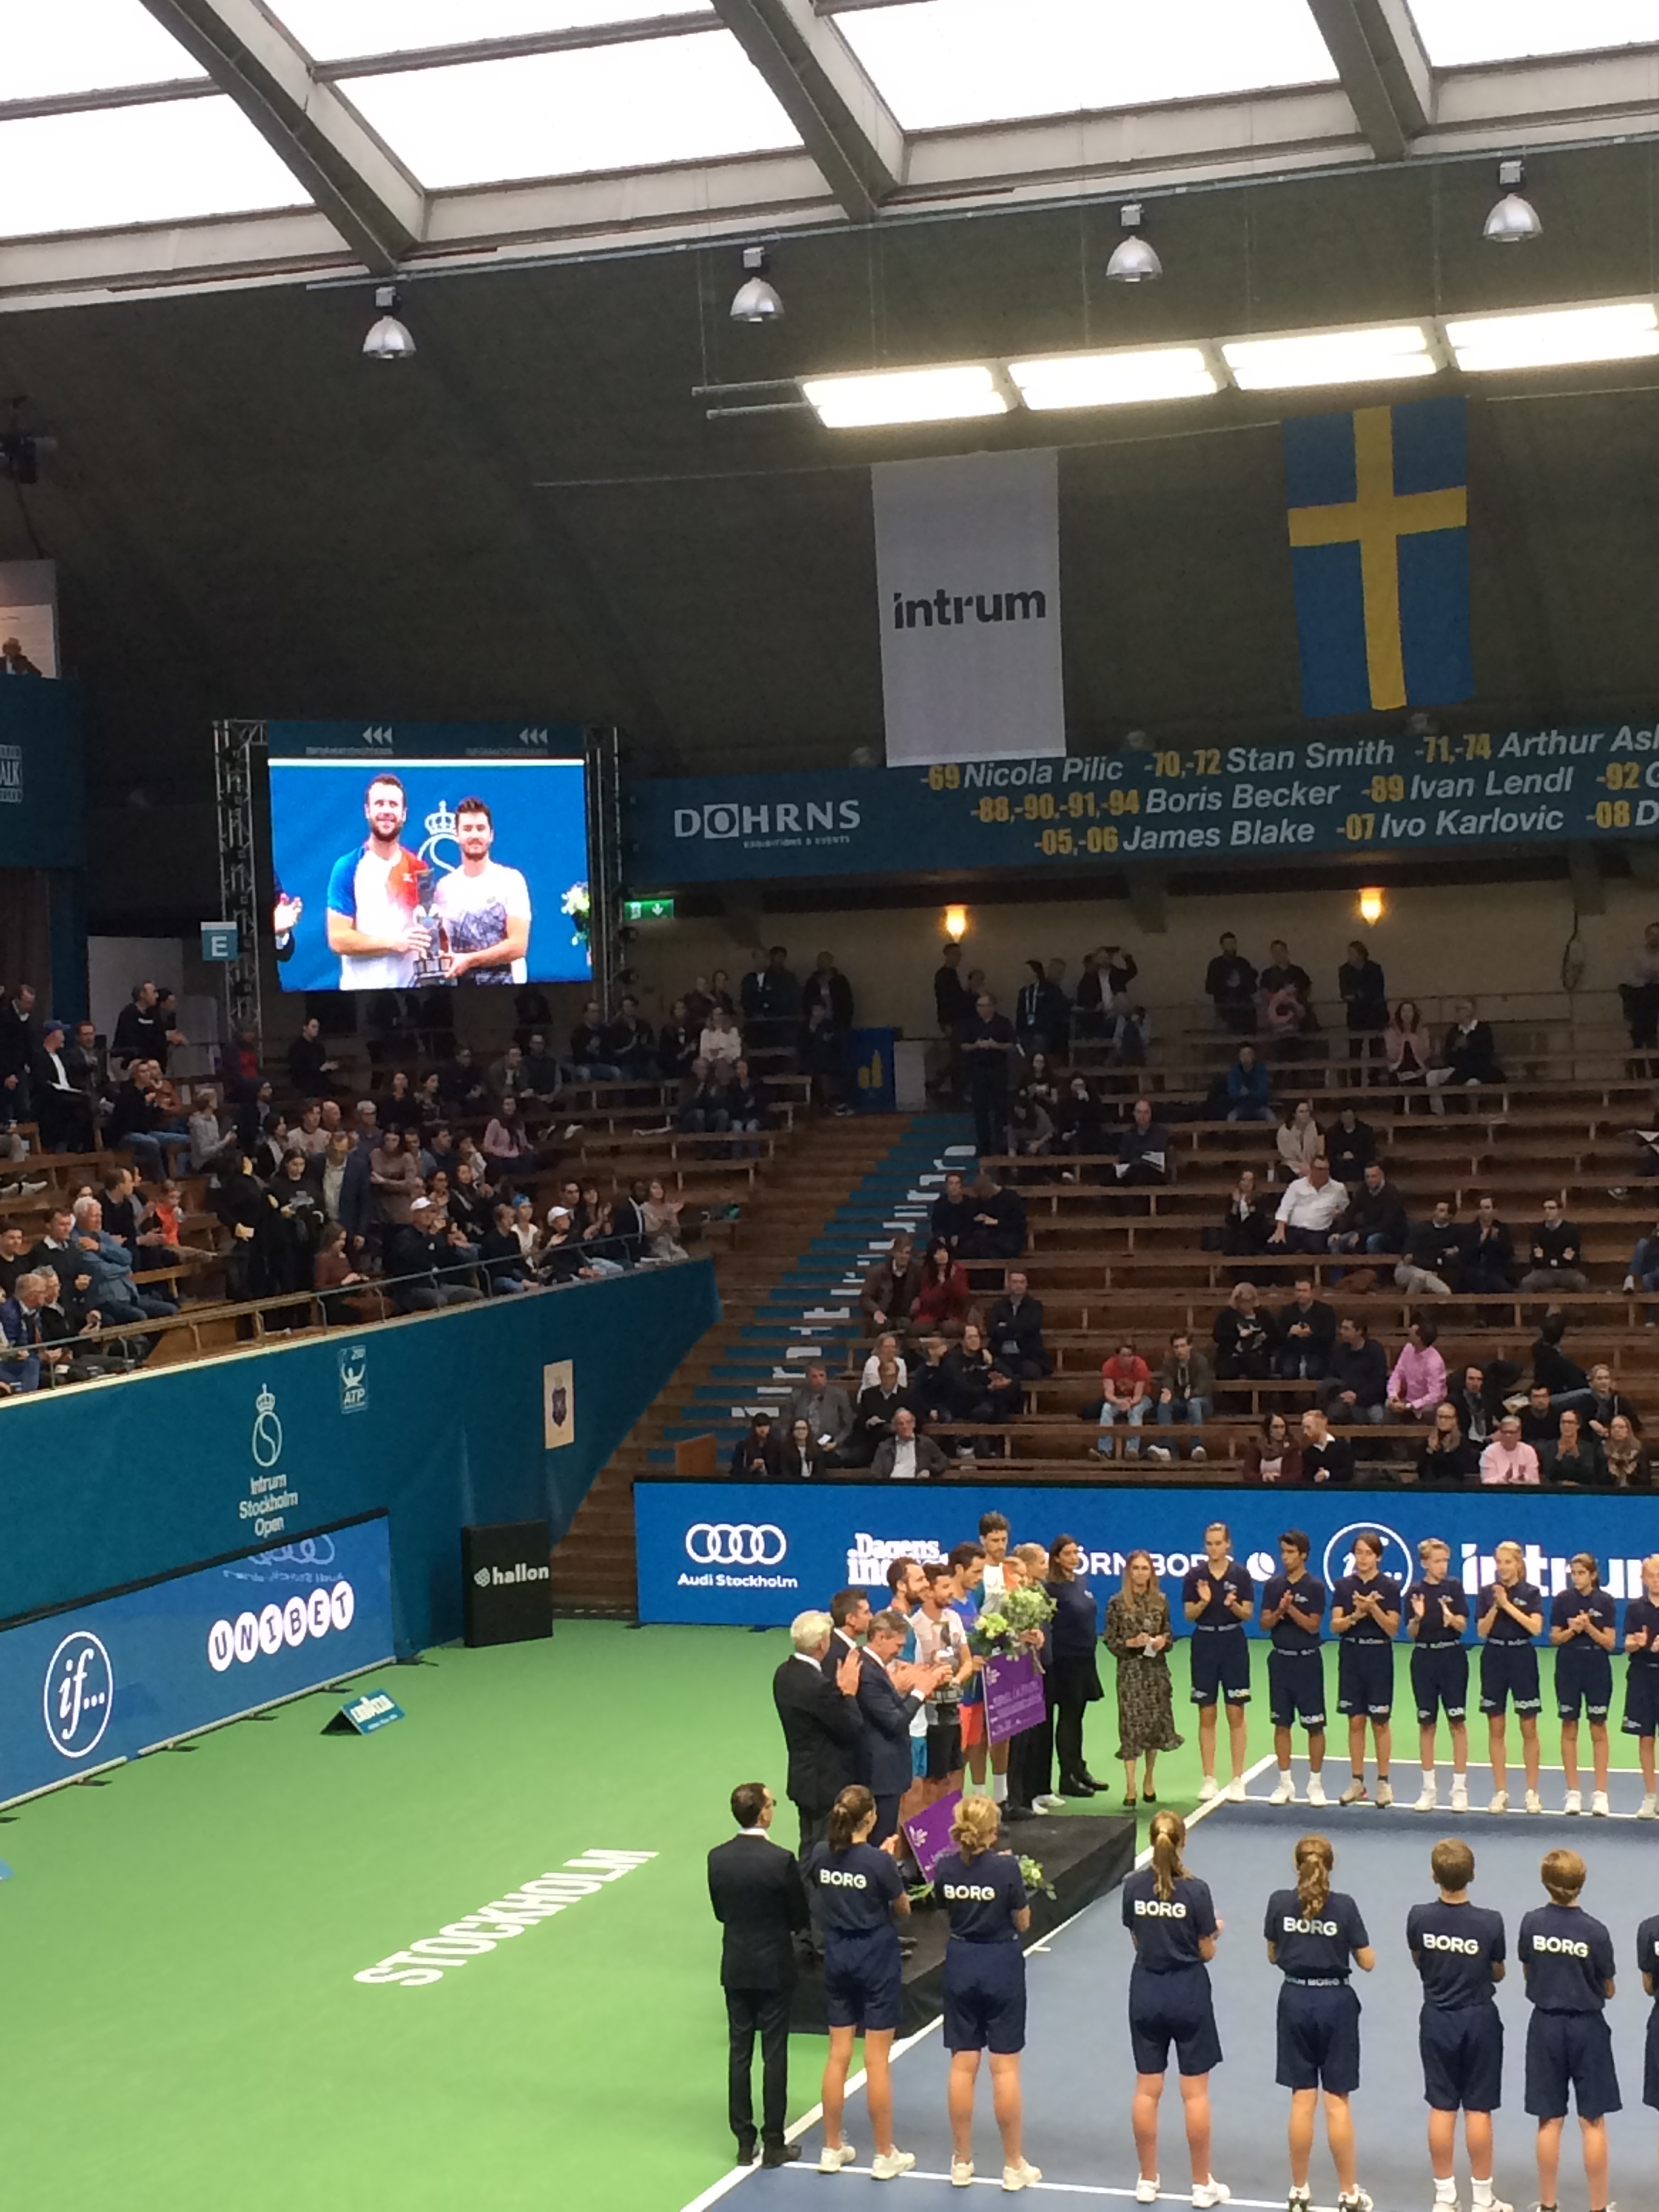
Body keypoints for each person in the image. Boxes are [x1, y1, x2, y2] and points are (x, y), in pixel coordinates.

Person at [806, 1783, 914, 2182]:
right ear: (870, 1818)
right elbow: (903, 1908)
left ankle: (831, 2148)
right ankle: (884, 2154)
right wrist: (885, 1863)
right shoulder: (878, 1862)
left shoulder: (820, 1854)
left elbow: (827, 1885)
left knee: (838, 2054)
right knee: (876, 2060)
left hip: (837, 1956)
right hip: (875, 1958)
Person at [1122, 1811, 1229, 2210]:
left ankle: (1147, 2180)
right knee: (1194, 2094)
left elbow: (1138, 1939)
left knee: (1146, 2089)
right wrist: (1214, 1932)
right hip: (1188, 1993)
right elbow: (1206, 1951)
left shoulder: (1133, 1886)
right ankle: (1202, 2185)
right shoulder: (1197, 1891)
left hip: (1146, 1991)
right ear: (1183, 1842)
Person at [1265, 1833, 1375, 2212]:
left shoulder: (1279, 1902)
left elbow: (1272, 1954)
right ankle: (1349, 2195)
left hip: (1294, 2001)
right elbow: (1368, 1961)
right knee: (1337, 2102)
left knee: (1302, 2099)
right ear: (1330, 1865)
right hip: (1335, 2005)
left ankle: (1299, 2192)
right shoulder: (1344, 1906)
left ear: (1297, 1865)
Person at [935, 1797, 1039, 2194]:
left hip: (960, 1963)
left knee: (962, 2066)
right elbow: (1023, 1921)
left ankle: (961, 2161)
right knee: (1005, 2069)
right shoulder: (1007, 1868)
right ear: (992, 1833)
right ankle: (1013, 2165)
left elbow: (946, 1910)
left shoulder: (945, 1867)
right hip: (1001, 1966)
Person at [707, 1780, 810, 2171]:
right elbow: (799, 1917)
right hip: (774, 1968)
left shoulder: (718, 1858)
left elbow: (721, 1911)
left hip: (736, 1965)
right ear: (764, 1813)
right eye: (772, 1804)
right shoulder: (780, 1861)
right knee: (774, 2053)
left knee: (740, 2052)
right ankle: (774, 2142)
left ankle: (744, 2142)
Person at [1406, 1839, 1509, 2212]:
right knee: (1478, 2109)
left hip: (1437, 2019)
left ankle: (1445, 2197)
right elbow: (1497, 1970)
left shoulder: (1418, 1917)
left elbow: (1419, 1959)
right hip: (1479, 2020)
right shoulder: (1490, 1921)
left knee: (1442, 2106)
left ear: (1434, 1875)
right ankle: (1482, 2199)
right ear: (1472, 1875)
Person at [1517, 1849, 1618, 2212]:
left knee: (1549, 2120)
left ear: (1546, 1882)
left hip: (1545, 2026)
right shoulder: (1596, 1931)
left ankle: (1547, 2205)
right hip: (1588, 2029)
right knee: (1593, 2121)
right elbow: (1608, 1987)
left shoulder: (1531, 1923)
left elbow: (1528, 1970)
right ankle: (1598, 2207)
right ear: (1581, 1882)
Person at [773, 1612, 863, 1867]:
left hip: (802, 1778)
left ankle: (806, 1890)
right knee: (824, 1850)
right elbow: (852, 1727)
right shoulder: (819, 1688)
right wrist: (849, 1693)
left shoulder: (784, 1673)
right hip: (825, 1784)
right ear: (823, 1643)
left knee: (808, 1846)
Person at [325, 773, 428, 989]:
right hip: (361, 996)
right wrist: (394, 943)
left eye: (393, 804)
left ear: (404, 814)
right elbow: (338, 938)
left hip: (411, 995)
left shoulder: (418, 868)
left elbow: (428, 932)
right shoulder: (348, 867)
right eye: (379, 804)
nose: (386, 811)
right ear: (367, 811)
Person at [1103, 1551, 1182, 1808]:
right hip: (1130, 1672)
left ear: (1151, 1573)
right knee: (1131, 1726)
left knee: (1154, 1725)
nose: (1140, 1573)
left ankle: (1149, 1778)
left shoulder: (1161, 1601)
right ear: (1129, 1572)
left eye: (1144, 1568)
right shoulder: (1117, 1603)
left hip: (1155, 1670)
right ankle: (1130, 1785)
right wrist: (1131, 1643)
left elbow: (1169, 1633)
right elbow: (1110, 1640)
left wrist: (1161, 1641)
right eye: (1136, 1568)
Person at [1183, 1521, 1253, 1803]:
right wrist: (1204, 1602)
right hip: (1204, 1644)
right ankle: (1209, 1778)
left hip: (1233, 1643)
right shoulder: (1195, 1576)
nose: (1213, 1548)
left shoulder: (1241, 1575)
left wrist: (1232, 1605)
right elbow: (1189, 1614)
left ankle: (1237, 1779)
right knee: (1207, 1713)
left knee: (1236, 1712)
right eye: (1209, 1544)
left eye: (1218, 1543)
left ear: (1228, 1545)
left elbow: (1247, 1614)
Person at [1331, 1532, 1399, 1807]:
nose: (1363, 1558)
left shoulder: (1390, 1587)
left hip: (1379, 1656)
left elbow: (1393, 1628)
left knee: (1380, 1721)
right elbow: (1335, 1625)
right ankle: (1357, 1782)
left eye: (1368, 1553)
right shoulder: (1344, 1586)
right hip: (1351, 1655)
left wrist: (1373, 1609)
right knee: (1355, 1720)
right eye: (1358, 1553)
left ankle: (1383, 1782)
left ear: (1378, 1557)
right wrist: (1356, 1615)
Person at [1262, 1530, 1329, 1808]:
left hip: (1308, 1662)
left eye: (1291, 1552)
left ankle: (1315, 1784)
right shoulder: (1273, 1585)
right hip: (1280, 1661)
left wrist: (1290, 1610)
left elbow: (1313, 1625)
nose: (1285, 1557)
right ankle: (1285, 1782)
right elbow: (1264, 1623)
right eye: (1283, 1552)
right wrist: (1279, 1611)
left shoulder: (1315, 1587)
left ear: (1303, 1555)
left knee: (1315, 1726)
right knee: (1281, 1724)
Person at [1478, 1540, 1544, 1814]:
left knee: (1528, 1727)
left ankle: (1532, 1792)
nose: (1503, 1567)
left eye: (1508, 1562)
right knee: (1496, 1727)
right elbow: (1482, 1630)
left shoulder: (1531, 1593)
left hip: (1522, 1658)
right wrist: (1496, 1606)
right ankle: (1500, 1792)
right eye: (1499, 1562)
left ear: (1518, 1564)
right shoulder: (1487, 1593)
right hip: (1494, 1657)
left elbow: (1535, 1628)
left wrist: (1507, 1604)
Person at [1407, 1538, 1471, 1815]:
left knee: (1457, 1723)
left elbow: (1463, 1625)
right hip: (1424, 1659)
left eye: (1445, 1561)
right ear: (1424, 1563)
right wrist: (1418, 1618)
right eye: (1437, 1561)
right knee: (1427, 1725)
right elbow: (1411, 1633)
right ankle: (1429, 1790)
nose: (1442, 1566)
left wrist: (1451, 1619)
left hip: (1452, 1658)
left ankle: (1459, 1790)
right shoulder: (1415, 1591)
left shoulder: (1454, 1588)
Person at [1550, 1553, 1616, 1818]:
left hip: (1597, 1667)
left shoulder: (1605, 1601)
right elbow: (1555, 1638)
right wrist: (1572, 1630)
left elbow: (1610, 1643)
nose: (1577, 1578)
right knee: (1569, 1726)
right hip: (1568, 1667)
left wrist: (1588, 1627)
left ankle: (1600, 1793)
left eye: (1581, 1573)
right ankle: (1573, 1793)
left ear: (1593, 1575)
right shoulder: (1563, 1600)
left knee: (1598, 1727)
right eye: (1574, 1573)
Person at [1044, 1536, 1105, 1799]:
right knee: (1068, 1719)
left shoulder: (1079, 1581)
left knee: (1077, 1717)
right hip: (1064, 1661)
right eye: (1068, 1553)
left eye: (1076, 1552)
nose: (1074, 1557)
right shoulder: (1050, 1588)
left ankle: (1080, 1770)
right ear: (1057, 1558)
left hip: (1084, 1659)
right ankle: (1067, 1776)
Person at [961, 992, 1017, 1157]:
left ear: (991, 1007)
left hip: (997, 1069)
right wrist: (976, 1045)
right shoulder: (971, 1023)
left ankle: (1000, 1144)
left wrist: (996, 1045)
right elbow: (963, 1045)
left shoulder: (1003, 1023)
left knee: (1000, 1108)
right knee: (980, 1110)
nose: (979, 1009)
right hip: (978, 1070)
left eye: (983, 1006)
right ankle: (983, 1146)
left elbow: (1012, 1045)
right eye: (978, 1006)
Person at [1149, 1333, 1213, 1464]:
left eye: (1183, 1346)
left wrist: (1189, 1395)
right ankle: (1167, 1447)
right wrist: (1168, 1391)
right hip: (1180, 1401)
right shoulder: (1169, 1362)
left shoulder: (1200, 1361)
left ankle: (1197, 1447)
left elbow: (1202, 1387)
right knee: (1164, 1403)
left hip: (1200, 1401)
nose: (1179, 1350)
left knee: (1194, 1403)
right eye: (1176, 1347)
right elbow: (1168, 1379)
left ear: (1190, 1346)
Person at [1431, 1000, 1503, 1113]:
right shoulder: (1454, 1031)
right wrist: (1454, 1048)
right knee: (1432, 1076)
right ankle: (1438, 1113)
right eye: (1458, 1009)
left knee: (1471, 1084)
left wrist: (1469, 1044)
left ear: (1471, 1012)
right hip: (1457, 1069)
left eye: (1462, 1009)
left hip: (1479, 1070)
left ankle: (1471, 1115)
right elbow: (1448, 1057)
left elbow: (1487, 1053)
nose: (1458, 1012)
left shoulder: (1483, 1029)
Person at [1317, 1315, 1388, 1425]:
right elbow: (1332, 1376)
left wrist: (1358, 1397)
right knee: (1335, 1412)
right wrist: (1344, 1393)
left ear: (1359, 1331)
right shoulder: (1340, 1350)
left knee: (1378, 1417)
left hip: (1370, 1400)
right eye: (1341, 1328)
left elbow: (1378, 1381)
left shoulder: (1375, 1350)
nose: (1342, 1332)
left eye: (1346, 1329)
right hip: (1345, 1398)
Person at [1270, 1160, 1347, 1258]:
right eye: (1319, 1169)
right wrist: (1280, 1229)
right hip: (1294, 1229)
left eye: (1326, 1170)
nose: (1323, 1173)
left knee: (1317, 1249)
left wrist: (1337, 1214)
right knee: (1274, 1247)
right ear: (1312, 1170)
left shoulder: (1338, 1188)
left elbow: (1345, 1208)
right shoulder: (1296, 1185)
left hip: (1318, 1231)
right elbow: (1285, 1208)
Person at [986, 1270, 1048, 1381]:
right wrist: (1019, 1329)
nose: (1018, 1285)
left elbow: (1032, 1329)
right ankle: (1012, 1379)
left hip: (1027, 1356)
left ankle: (1012, 1380)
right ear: (1008, 1284)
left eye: (1022, 1282)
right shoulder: (998, 1306)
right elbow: (992, 1331)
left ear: (1026, 1284)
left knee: (1032, 1373)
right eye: (1015, 1282)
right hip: (1002, 1356)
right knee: (993, 1372)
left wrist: (1005, 1327)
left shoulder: (1035, 1306)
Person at [1095, 1337, 1152, 1459]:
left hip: (1141, 1398)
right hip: (1118, 1398)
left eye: (1130, 1356)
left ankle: (1132, 1449)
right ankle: (1104, 1450)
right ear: (1117, 1356)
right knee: (1106, 1409)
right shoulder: (1109, 1366)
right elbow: (1109, 1393)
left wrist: (1130, 1403)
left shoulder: (1140, 1366)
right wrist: (1119, 1401)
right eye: (1124, 1356)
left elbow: (1138, 1395)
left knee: (1136, 1410)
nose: (1127, 1359)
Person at [1338, 940, 1388, 1075]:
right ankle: (1355, 1081)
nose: (1349, 957)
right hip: (1356, 1016)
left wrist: (1358, 996)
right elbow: (1345, 994)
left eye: (1352, 953)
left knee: (1375, 1050)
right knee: (1355, 1050)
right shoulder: (1345, 970)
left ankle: (1375, 1081)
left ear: (1361, 955)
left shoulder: (1374, 969)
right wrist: (1362, 996)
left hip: (1374, 1014)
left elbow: (1377, 991)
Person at [1519, 1198, 1587, 1294]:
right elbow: (1534, 1260)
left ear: (1559, 1210)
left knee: (1581, 1281)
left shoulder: (1571, 1230)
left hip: (1566, 1271)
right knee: (1527, 1282)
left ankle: (1581, 1305)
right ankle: (1527, 1305)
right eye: (1545, 1208)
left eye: (1551, 1208)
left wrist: (1571, 1258)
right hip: (1545, 1271)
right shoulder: (1537, 1231)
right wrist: (1539, 1258)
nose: (1548, 1211)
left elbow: (1576, 1259)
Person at [861, 1234, 920, 1342]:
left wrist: (918, 1300)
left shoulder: (916, 1273)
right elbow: (865, 1297)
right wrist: (876, 1311)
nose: (903, 1256)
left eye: (907, 1253)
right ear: (893, 1253)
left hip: (904, 1318)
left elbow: (922, 1293)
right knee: (877, 1327)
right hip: (883, 1317)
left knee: (908, 1327)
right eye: (900, 1252)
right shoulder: (877, 1273)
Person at [1276, 1277, 1336, 1381]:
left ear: (1312, 1292)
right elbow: (1278, 1336)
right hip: (1292, 1351)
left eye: (1304, 1291)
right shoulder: (1287, 1311)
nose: (1301, 1294)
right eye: (1298, 1291)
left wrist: (1311, 1333)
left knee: (1314, 1370)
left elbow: (1330, 1335)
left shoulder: (1326, 1311)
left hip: (1316, 1351)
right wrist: (1289, 1333)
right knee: (1288, 1371)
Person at [1388, 1317, 1448, 1421]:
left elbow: (1435, 1395)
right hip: (1408, 1400)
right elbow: (1397, 1374)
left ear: (1419, 1338)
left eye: (1413, 1330)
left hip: (1427, 1406)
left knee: (1429, 1412)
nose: (1409, 1330)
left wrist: (1410, 1406)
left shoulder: (1434, 1362)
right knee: (1389, 1406)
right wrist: (1393, 1395)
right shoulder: (1408, 1349)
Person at [870, 1405, 947, 1483]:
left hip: (916, 1484)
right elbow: (876, 1471)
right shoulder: (885, 1446)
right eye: (901, 1424)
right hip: (892, 1484)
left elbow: (944, 1462)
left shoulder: (925, 1443)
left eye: (908, 1422)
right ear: (894, 1427)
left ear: (914, 1425)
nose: (905, 1427)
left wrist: (929, 1471)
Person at [1214, 1282, 1275, 1379]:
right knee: (1226, 1373)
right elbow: (1218, 1336)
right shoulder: (1225, 1315)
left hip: (1257, 1355)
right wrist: (1238, 1335)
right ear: (1236, 1301)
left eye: (1250, 1301)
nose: (1246, 1305)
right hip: (1232, 1355)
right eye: (1242, 1301)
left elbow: (1274, 1335)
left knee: (1260, 1372)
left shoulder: (1264, 1315)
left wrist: (1264, 1337)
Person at [1204, 933, 1256, 1035]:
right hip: (1225, 1005)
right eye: (1228, 944)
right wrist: (1227, 985)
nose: (1231, 947)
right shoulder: (1216, 964)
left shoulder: (1243, 963)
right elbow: (1209, 988)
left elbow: (1253, 988)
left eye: (1233, 944)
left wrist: (1243, 981)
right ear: (1222, 946)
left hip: (1244, 1006)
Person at [1418, 1401, 1479, 1486]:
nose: (1443, 1420)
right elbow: (1421, 1470)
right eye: (1440, 1417)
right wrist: (1429, 1452)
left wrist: (1447, 1452)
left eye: (1447, 1417)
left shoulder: (1461, 1442)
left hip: (1453, 1484)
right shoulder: (1429, 1441)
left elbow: (1460, 1470)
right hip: (1430, 1483)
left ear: (1455, 1420)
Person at [1546, 1407, 1607, 1488]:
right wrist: (1559, 1456)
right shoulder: (1550, 1447)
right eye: (1563, 1422)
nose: (1566, 1425)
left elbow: (1590, 1476)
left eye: (1570, 1422)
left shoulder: (1588, 1448)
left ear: (1578, 1425)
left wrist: (1577, 1457)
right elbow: (1548, 1475)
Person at [1386, 999, 1437, 1090]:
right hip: (1398, 1069)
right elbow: (1391, 1055)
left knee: (1421, 1080)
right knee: (1394, 1079)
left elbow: (1425, 1054)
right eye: (1404, 1011)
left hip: (1418, 1068)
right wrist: (1402, 1040)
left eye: (1409, 1011)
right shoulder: (1392, 1032)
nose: (1407, 1014)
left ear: (1414, 1014)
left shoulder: (1423, 1031)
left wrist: (1413, 1039)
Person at [1242, 1410, 1303, 1486]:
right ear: (1268, 1429)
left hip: (1284, 1487)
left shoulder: (1292, 1447)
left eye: (1282, 1427)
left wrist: (1277, 1479)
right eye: (1275, 1427)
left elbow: (1296, 1474)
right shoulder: (1256, 1447)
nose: (1279, 1431)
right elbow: (1248, 1473)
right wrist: (1263, 1478)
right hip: (1261, 1486)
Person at [1299, 1406, 1355, 1486]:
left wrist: (1328, 1474)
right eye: (1304, 1428)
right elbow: (1307, 1477)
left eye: (1308, 1428)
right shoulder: (1308, 1452)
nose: (1305, 1432)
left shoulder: (1343, 1446)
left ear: (1320, 1426)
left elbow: (1348, 1472)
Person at [1219, 1170, 1270, 1259]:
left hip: (1254, 1234)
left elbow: (1259, 1219)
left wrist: (1250, 1208)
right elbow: (1230, 1220)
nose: (1246, 1183)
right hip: (1237, 1235)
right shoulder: (1232, 1198)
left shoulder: (1260, 1198)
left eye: (1250, 1180)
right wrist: (1235, 1204)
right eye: (1244, 1180)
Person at [1277, 1099, 1324, 1183]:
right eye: (1301, 1112)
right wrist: (1301, 1166)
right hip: (1293, 1165)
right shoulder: (1284, 1132)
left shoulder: (1317, 1127)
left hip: (1313, 1165)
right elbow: (1287, 1157)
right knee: (1286, 1172)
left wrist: (1312, 1166)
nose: (1305, 1115)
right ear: (1294, 1114)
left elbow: (1320, 1152)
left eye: (1307, 1111)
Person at [1225, 1043, 1274, 1122]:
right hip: (1240, 1107)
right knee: (1230, 1118)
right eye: (1243, 1054)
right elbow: (1232, 1093)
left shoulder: (1260, 1070)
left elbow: (1263, 1093)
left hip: (1259, 1107)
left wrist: (1248, 1093)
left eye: (1249, 1054)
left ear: (1253, 1057)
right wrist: (1245, 1095)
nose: (1246, 1057)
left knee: (1272, 1118)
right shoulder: (1235, 1071)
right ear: (1239, 1057)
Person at [1603, 1411, 1652, 1490]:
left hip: (1635, 1493)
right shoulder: (1603, 1451)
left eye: (1621, 1427)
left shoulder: (1639, 1451)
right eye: (1613, 1427)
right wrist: (1611, 1474)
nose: (1616, 1430)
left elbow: (1646, 1481)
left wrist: (1632, 1474)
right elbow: (1597, 1481)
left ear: (1628, 1430)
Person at [731, 1412, 782, 1481]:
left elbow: (781, 1470)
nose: (762, 1429)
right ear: (754, 1428)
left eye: (765, 1425)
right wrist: (752, 1467)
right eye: (759, 1426)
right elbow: (736, 1471)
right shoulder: (743, 1446)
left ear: (769, 1427)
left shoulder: (777, 1446)